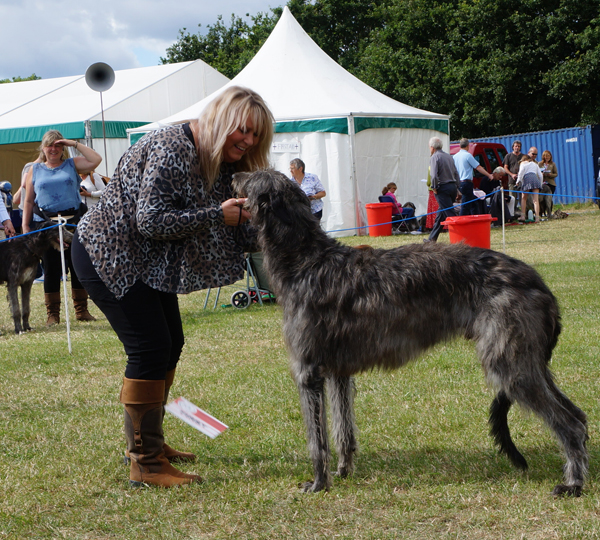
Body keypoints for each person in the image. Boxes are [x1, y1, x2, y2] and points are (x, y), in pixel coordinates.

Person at [71, 86, 274, 488]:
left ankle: (150, 443)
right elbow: (152, 220)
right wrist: (218, 215)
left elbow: (240, 230)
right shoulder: (171, 146)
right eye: (243, 131)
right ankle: (145, 464)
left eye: (256, 136)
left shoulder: (224, 160)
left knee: (170, 342)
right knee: (149, 347)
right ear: (221, 120)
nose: (248, 141)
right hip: (108, 252)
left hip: (146, 260)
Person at [22, 130, 102, 324]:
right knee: (50, 268)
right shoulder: (34, 169)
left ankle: (82, 310)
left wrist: (73, 143)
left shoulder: (72, 165)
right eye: (50, 145)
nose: (54, 149)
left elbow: (96, 159)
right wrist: (25, 226)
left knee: (78, 267)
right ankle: (53, 315)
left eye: (58, 145)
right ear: (43, 148)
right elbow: (29, 201)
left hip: (73, 222)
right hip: (46, 226)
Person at [425, 137, 459, 243]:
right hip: (452, 187)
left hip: (442, 188)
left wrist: (434, 187)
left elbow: (434, 175)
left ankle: (461, 237)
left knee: (450, 214)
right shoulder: (449, 156)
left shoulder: (435, 157)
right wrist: (458, 187)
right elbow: (456, 173)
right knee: (441, 214)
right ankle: (432, 239)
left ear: (432, 147)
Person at [453, 138, 494, 216]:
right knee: (465, 205)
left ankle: (476, 219)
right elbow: (478, 167)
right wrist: (489, 175)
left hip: (459, 183)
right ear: (468, 146)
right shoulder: (468, 155)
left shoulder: (455, 157)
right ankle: (462, 222)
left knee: (474, 203)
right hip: (466, 183)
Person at [516, 154, 543, 223]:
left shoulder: (522, 163)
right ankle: (537, 218)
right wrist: (540, 184)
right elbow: (540, 175)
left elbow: (521, 172)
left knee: (523, 198)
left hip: (527, 178)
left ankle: (523, 216)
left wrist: (518, 181)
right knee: (536, 200)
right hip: (535, 179)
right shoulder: (535, 164)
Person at [503, 140, 525, 207]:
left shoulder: (523, 156)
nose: (517, 148)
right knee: (512, 198)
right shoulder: (508, 156)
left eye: (518, 146)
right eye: (516, 146)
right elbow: (505, 168)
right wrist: (512, 174)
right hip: (512, 181)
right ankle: (512, 214)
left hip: (522, 181)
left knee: (523, 198)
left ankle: (523, 213)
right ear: (513, 147)